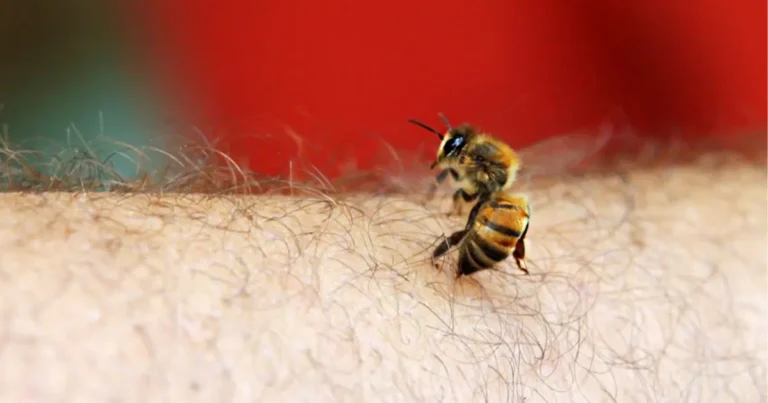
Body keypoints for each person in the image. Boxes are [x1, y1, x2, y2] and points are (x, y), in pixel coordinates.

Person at [0, 134, 764, 402]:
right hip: (502, 222)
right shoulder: (488, 179)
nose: (444, 161)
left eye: (449, 155)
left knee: (484, 221)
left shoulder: (481, 182)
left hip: (500, 226)